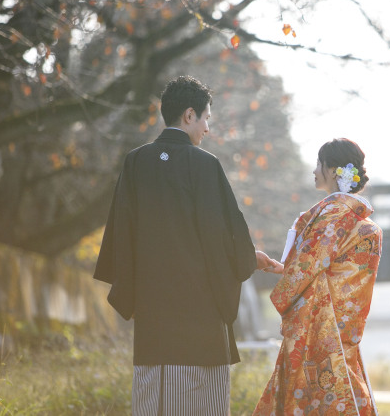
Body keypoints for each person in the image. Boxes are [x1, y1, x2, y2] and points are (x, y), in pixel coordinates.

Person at [94, 75, 279, 416]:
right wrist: (246, 258)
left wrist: (134, 292)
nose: (207, 127)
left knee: (153, 399)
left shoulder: (136, 162)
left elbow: (122, 236)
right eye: (206, 118)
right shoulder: (205, 164)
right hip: (200, 318)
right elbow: (220, 236)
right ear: (189, 115)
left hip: (153, 318)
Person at [253, 138, 383, 416]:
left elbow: (309, 263)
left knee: (312, 391)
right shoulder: (357, 217)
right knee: (340, 384)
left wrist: (283, 275)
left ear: (334, 170)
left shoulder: (335, 212)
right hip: (343, 318)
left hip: (321, 320)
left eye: (318, 164)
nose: (314, 171)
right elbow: (319, 263)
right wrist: (284, 267)